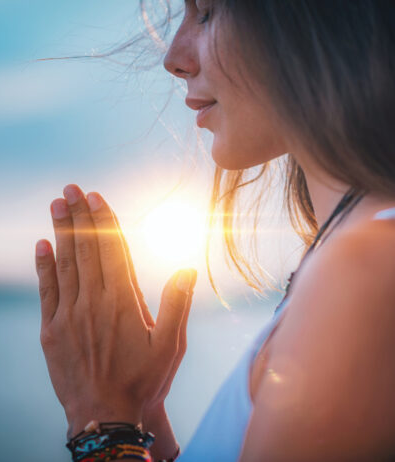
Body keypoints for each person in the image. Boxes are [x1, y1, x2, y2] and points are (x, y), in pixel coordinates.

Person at [34, 1, 395, 460]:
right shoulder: (353, 263)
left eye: (205, 12)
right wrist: (142, 420)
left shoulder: (368, 276)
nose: (174, 57)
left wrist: (101, 422)